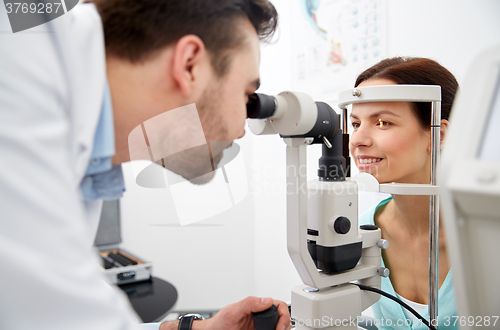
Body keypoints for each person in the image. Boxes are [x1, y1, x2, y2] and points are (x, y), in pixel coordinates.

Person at [0, 1, 291, 330]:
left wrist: (195, 329)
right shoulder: (17, 67)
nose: (242, 127)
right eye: (247, 96)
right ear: (190, 65)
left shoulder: (82, 151)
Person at [350, 57, 459, 330]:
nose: (358, 139)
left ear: (439, 134)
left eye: (383, 123)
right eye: (355, 124)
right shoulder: (362, 230)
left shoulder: (485, 233)